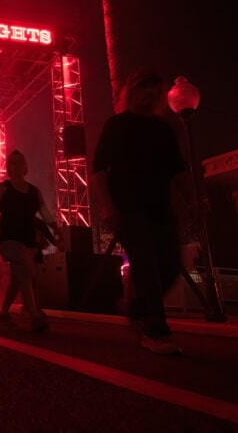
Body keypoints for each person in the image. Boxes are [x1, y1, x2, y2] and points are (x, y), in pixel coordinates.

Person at [92, 69, 196, 355]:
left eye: (154, 88)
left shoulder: (164, 130)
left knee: (171, 265)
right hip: (127, 208)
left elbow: (178, 171)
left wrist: (195, 202)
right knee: (146, 264)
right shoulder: (117, 125)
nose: (148, 93)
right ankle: (156, 332)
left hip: (160, 208)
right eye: (142, 87)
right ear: (131, 93)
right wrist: (108, 206)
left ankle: (137, 308)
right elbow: (99, 170)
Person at [0, 150, 61, 332]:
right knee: (25, 269)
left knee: (19, 276)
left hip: (28, 241)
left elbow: (44, 212)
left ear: (25, 167)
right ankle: (35, 314)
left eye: (20, 162)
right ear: (9, 168)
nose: (16, 165)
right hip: (9, 239)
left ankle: (4, 312)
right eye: (13, 163)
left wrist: (56, 227)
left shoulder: (34, 191)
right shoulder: (3, 188)